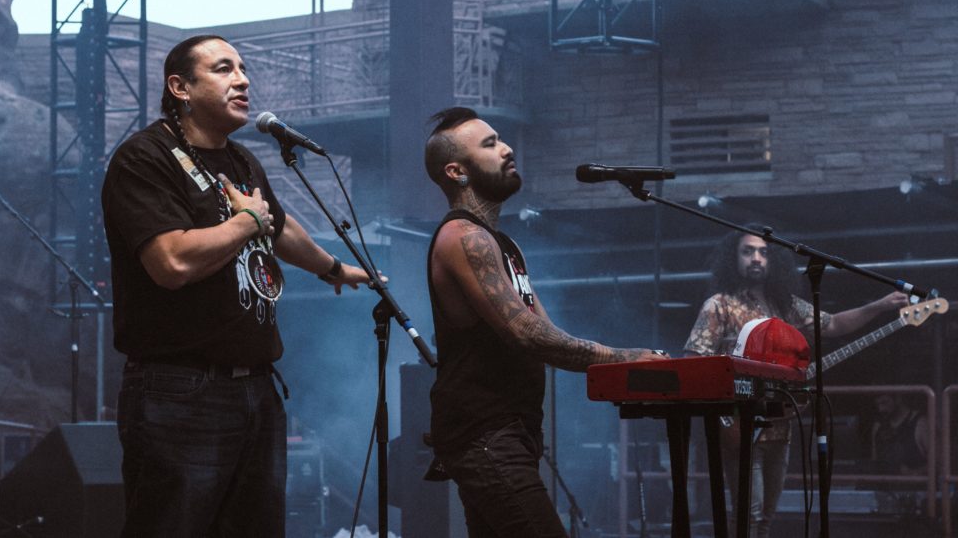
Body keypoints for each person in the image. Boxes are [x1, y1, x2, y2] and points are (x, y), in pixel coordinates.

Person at [101, 35, 370, 537]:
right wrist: (246, 223)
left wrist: (333, 268)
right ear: (180, 87)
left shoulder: (242, 160)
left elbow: (279, 227)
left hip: (256, 387)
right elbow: (171, 262)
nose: (243, 80)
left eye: (243, 69)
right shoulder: (145, 158)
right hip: (181, 387)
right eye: (224, 69)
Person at [423, 106, 667, 537]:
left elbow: (548, 333)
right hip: (487, 436)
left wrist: (623, 366)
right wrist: (626, 359)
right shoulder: (464, 237)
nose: (507, 148)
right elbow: (527, 334)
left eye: (501, 139)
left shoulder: (504, 244)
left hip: (513, 432)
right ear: (457, 171)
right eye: (490, 144)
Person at [683, 229, 909, 538]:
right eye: (748, 251)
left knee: (765, 517)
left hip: (781, 428)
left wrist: (879, 306)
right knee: (749, 515)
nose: (756, 258)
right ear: (732, 259)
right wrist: (727, 408)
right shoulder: (719, 305)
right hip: (739, 425)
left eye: (763, 252)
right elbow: (694, 360)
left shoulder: (786, 306)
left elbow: (834, 323)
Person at [870, 392, 929, 476]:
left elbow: (940, 463)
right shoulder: (878, 427)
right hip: (884, 482)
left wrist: (914, 473)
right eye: (877, 405)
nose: (881, 409)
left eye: (884, 402)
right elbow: (874, 463)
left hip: (913, 483)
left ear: (898, 398)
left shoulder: (921, 424)